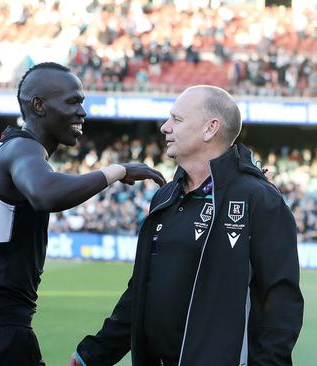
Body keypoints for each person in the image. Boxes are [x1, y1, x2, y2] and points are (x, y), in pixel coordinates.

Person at [0, 62, 166, 366]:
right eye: (73, 101)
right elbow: (46, 194)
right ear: (39, 105)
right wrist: (117, 171)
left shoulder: (1, 154)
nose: (82, 111)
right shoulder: (23, 150)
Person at [70, 85, 304, 366]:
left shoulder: (259, 199)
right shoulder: (164, 198)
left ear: (210, 128)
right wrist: (94, 354)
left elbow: (281, 302)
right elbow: (141, 293)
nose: (164, 127)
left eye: (176, 119)